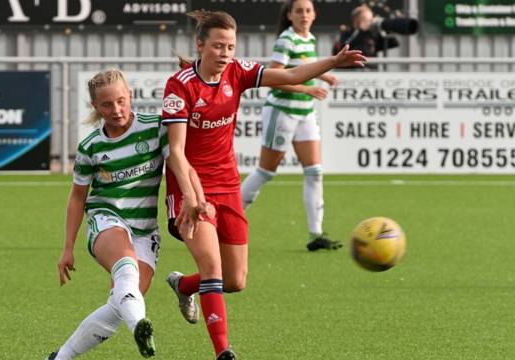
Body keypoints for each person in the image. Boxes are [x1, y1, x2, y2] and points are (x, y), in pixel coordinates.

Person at [161, 9, 365, 360]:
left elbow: (292, 74)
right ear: (200, 45)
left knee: (235, 280)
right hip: (189, 188)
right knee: (212, 268)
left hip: (227, 184)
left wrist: (333, 60)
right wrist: (193, 199)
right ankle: (223, 351)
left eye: (230, 46)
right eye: (217, 46)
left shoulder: (238, 73)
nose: (225, 53)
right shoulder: (179, 86)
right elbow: (176, 153)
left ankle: (183, 284)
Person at [45, 68, 200, 360]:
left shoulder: (155, 128)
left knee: (121, 304)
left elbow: (180, 162)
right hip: (107, 219)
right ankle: (140, 326)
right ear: (95, 107)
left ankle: (59, 357)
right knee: (127, 270)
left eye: (120, 101)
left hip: (145, 229)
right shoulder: (91, 146)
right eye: (106, 104)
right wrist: (67, 248)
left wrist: (193, 197)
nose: (116, 110)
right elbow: (78, 197)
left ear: (130, 96)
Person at [241, 0, 342, 252]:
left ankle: (316, 234)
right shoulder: (287, 40)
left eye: (308, 10)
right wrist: (307, 87)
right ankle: (224, 221)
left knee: (315, 171)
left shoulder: (308, 38)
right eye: (299, 11)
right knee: (266, 172)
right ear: (289, 15)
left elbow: (302, 66)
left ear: (314, 14)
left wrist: (322, 74)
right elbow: (274, 78)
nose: (304, 15)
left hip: (304, 113)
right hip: (282, 112)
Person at [333, 4, 399, 70]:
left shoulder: (372, 35)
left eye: (371, 19)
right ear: (358, 21)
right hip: (351, 73)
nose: (371, 22)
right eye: (368, 20)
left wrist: (384, 26)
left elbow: (394, 43)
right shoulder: (348, 33)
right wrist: (361, 31)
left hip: (370, 73)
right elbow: (345, 48)